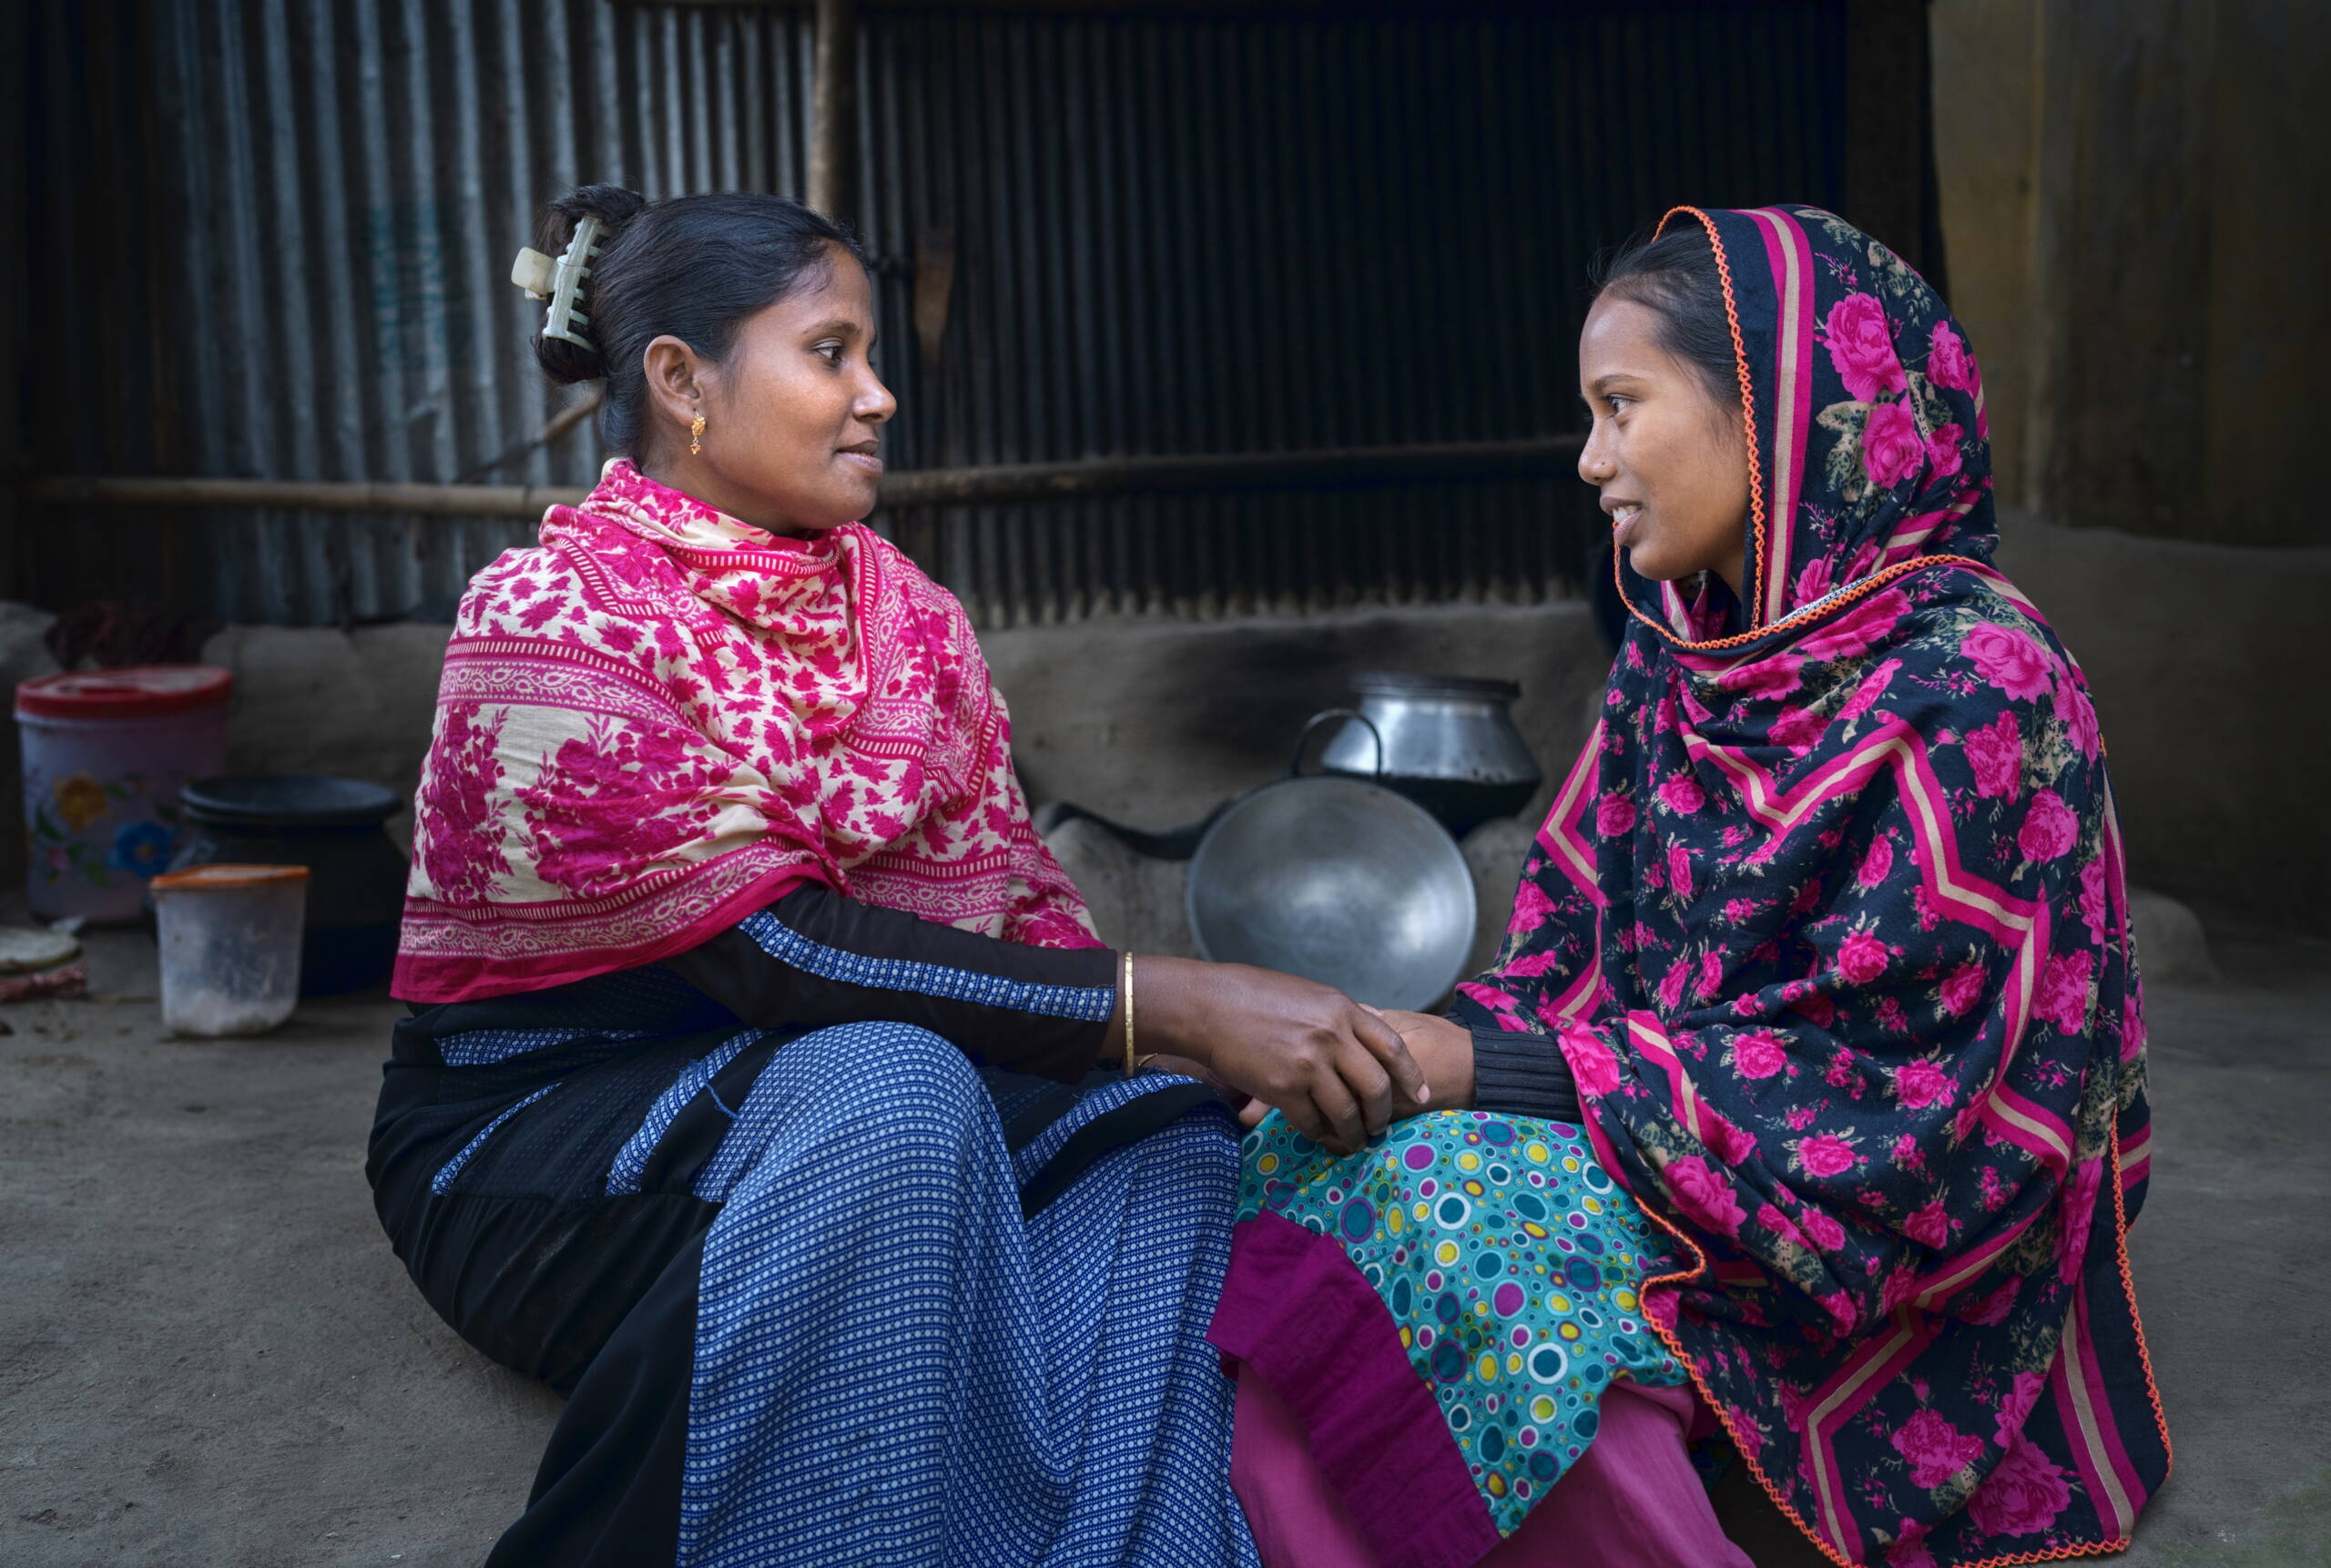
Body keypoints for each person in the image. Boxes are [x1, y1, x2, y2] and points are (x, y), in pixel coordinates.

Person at [368, 184, 1428, 1567]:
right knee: (901, 1086)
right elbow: (777, 957)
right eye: (830, 353)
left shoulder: (909, 622)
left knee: (1166, 1129)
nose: (877, 396)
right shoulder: (562, 614)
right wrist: (1173, 994)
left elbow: (1019, 916)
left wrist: (1170, 1045)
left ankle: (1127, 1544)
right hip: (548, 1134)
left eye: (873, 355)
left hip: (847, 1097)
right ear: (683, 380)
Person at [1215, 205, 2169, 1568]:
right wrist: (1390, 1054)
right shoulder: (1685, 653)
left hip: (1875, 1228)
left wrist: (1471, 1070)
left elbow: (1893, 1108)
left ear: (1778, 408)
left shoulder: (1977, 682)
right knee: (1296, 1149)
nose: (1592, 460)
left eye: (1621, 406)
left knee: (1448, 1208)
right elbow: (1569, 971)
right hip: (1680, 1143)